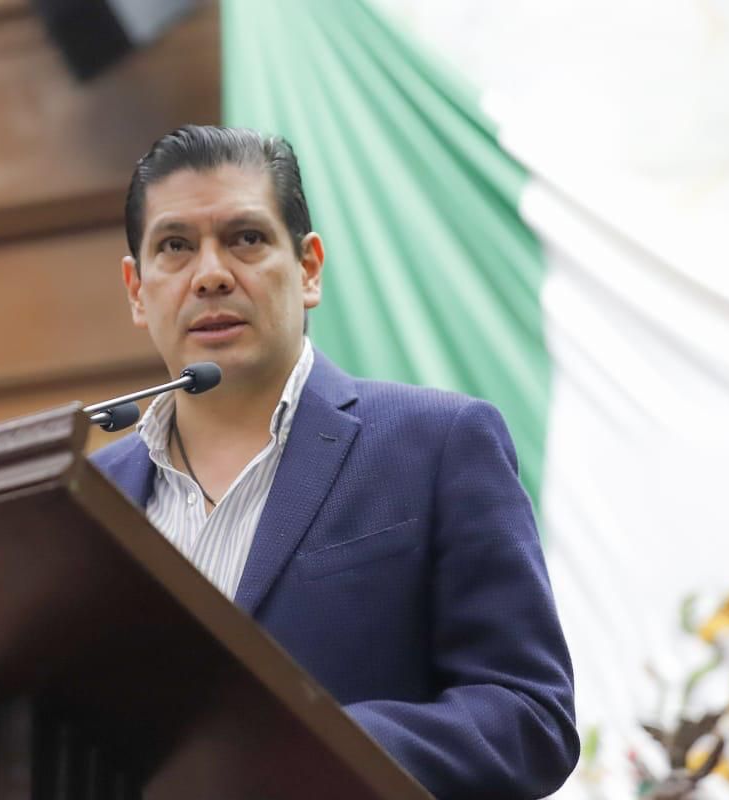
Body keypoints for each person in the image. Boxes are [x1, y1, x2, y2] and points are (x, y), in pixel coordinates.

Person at [90, 125, 579, 798]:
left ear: (309, 268)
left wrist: (310, 750)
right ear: (136, 290)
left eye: (246, 238)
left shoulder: (438, 444)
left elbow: (531, 716)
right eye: (175, 247)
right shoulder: (91, 497)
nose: (210, 275)